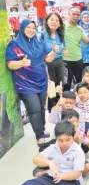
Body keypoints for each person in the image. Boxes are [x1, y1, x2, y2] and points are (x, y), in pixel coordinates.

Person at [14, 121, 85, 185]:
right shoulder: (53, 147)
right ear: (56, 138)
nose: (64, 143)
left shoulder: (78, 152)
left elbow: (77, 173)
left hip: (71, 180)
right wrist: (49, 163)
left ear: (73, 137)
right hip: (51, 176)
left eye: (68, 140)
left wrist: (62, 176)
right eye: (60, 140)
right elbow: (36, 159)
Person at [6, 19, 59, 148]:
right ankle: (39, 135)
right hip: (25, 84)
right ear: (22, 28)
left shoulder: (39, 42)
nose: (31, 30)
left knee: (41, 108)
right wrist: (21, 63)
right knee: (34, 109)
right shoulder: (14, 45)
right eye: (28, 27)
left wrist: (54, 52)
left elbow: (47, 59)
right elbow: (10, 64)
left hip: (41, 81)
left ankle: (42, 129)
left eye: (33, 28)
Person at [63, 7, 89, 91]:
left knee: (81, 82)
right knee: (66, 84)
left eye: (78, 15)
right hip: (65, 59)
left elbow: (87, 41)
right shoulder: (62, 27)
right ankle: (66, 102)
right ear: (68, 15)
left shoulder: (80, 29)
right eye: (73, 14)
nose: (75, 16)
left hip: (78, 59)